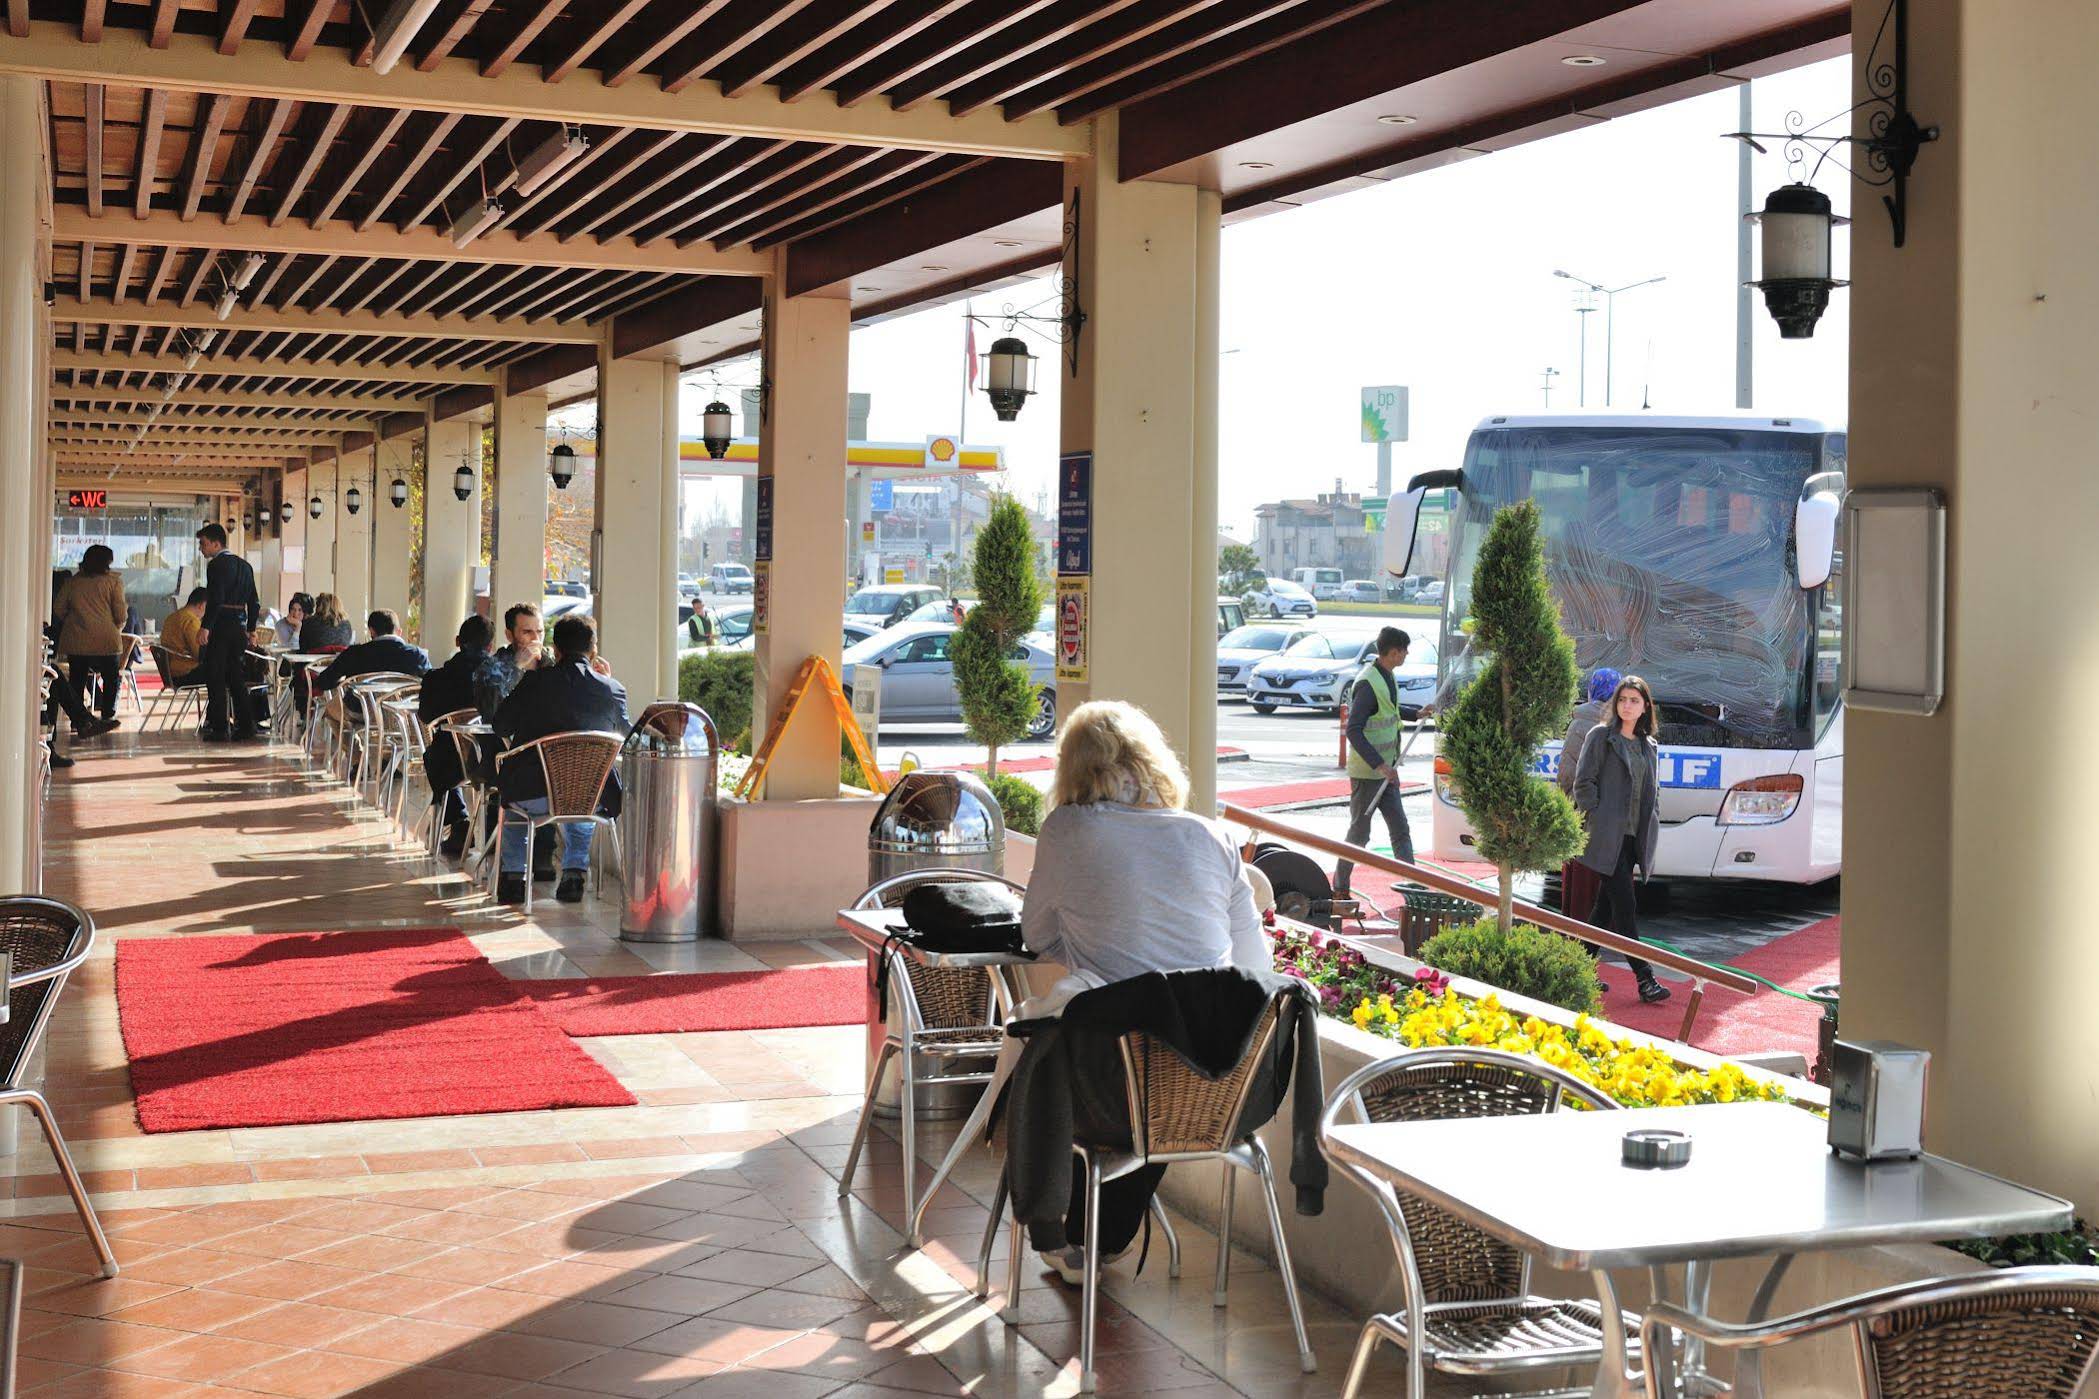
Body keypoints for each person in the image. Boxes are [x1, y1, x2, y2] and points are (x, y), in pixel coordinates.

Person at [1014, 700, 1282, 1281]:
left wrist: (1091, 947)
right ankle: (1102, 1238)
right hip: (1219, 1091)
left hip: (1112, 1094)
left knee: (1073, 1033)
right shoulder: (1214, 836)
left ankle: (1071, 1233)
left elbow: (1035, 936)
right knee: (1156, 1039)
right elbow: (1255, 969)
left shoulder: (1067, 829)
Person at [492, 613, 628, 905]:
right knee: (584, 786)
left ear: (556, 650)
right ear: (593, 650)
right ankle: (574, 873)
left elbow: (500, 726)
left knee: (513, 800)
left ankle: (514, 877)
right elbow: (627, 735)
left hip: (532, 796)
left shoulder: (535, 682)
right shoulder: (612, 689)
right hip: (592, 798)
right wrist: (606, 681)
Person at [1571, 674, 1670, 1003]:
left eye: (1634, 701)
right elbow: (1583, 782)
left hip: (1633, 839)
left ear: (1645, 708)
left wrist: (1652, 817)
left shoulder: (1648, 745)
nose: (1627, 706)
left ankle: (1578, 970)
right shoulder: (1601, 736)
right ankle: (1645, 978)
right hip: (1606, 836)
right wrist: (1596, 815)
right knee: (1625, 907)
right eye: (1623, 700)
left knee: (1604, 909)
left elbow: (1652, 792)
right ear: (1615, 704)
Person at [1333, 626, 1415, 900]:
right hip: (1368, 774)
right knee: (1359, 834)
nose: (1406, 655)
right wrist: (1380, 765)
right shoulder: (1368, 683)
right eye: (1404, 651)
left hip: (1387, 772)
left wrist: (1416, 714)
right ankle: (1339, 888)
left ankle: (1413, 889)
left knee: (1400, 829)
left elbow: (1390, 710)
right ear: (1393, 653)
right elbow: (1353, 730)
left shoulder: (1386, 675)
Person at [420, 614, 493, 857]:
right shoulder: (498, 678)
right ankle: (494, 834)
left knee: (434, 756)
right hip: (494, 760)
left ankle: (459, 820)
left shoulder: (436, 678)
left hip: (450, 762)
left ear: (457, 641)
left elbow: (426, 716)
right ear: (490, 646)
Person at [1556, 666, 1622, 928]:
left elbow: (1566, 774)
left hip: (1584, 817)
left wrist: (1567, 807)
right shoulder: (1626, 724)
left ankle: (1580, 934)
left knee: (1583, 886)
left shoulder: (1579, 724)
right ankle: (1610, 935)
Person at [194, 524, 261, 742]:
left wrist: (206, 626)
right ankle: (246, 725)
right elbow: (254, 602)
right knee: (236, 677)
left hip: (221, 625)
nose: (201, 548)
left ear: (216, 544)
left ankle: (220, 727)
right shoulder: (245, 566)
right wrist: (251, 628)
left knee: (215, 676)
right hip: (239, 627)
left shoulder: (216, 565)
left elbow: (216, 599)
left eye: (204, 544)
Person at [53, 544, 128, 730]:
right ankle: (107, 715)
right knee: (110, 678)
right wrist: (116, 625)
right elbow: (120, 614)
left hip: (77, 640)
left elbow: (59, 608)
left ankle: (78, 720)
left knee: (77, 679)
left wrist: (74, 621)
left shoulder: (72, 582)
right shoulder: (113, 583)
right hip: (107, 640)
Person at [312, 610, 431, 696]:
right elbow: (430, 685)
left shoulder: (354, 653)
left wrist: (343, 683)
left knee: (331, 711)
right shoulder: (418, 655)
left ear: (372, 631)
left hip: (362, 714)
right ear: (399, 632)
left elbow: (323, 682)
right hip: (402, 716)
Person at [475, 602, 547, 721]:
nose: (536, 638)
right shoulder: (491, 667)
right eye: (527, 632)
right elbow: (489, 711)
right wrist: (516, 667)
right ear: (509, 635)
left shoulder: (551, 663)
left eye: (540, 631)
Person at [159, 588, 209, 688]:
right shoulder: (191, 621)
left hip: (170, 673)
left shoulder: (171, 617)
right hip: (186, 673)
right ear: (202, 605)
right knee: (225, 670)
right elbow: (200, 653)